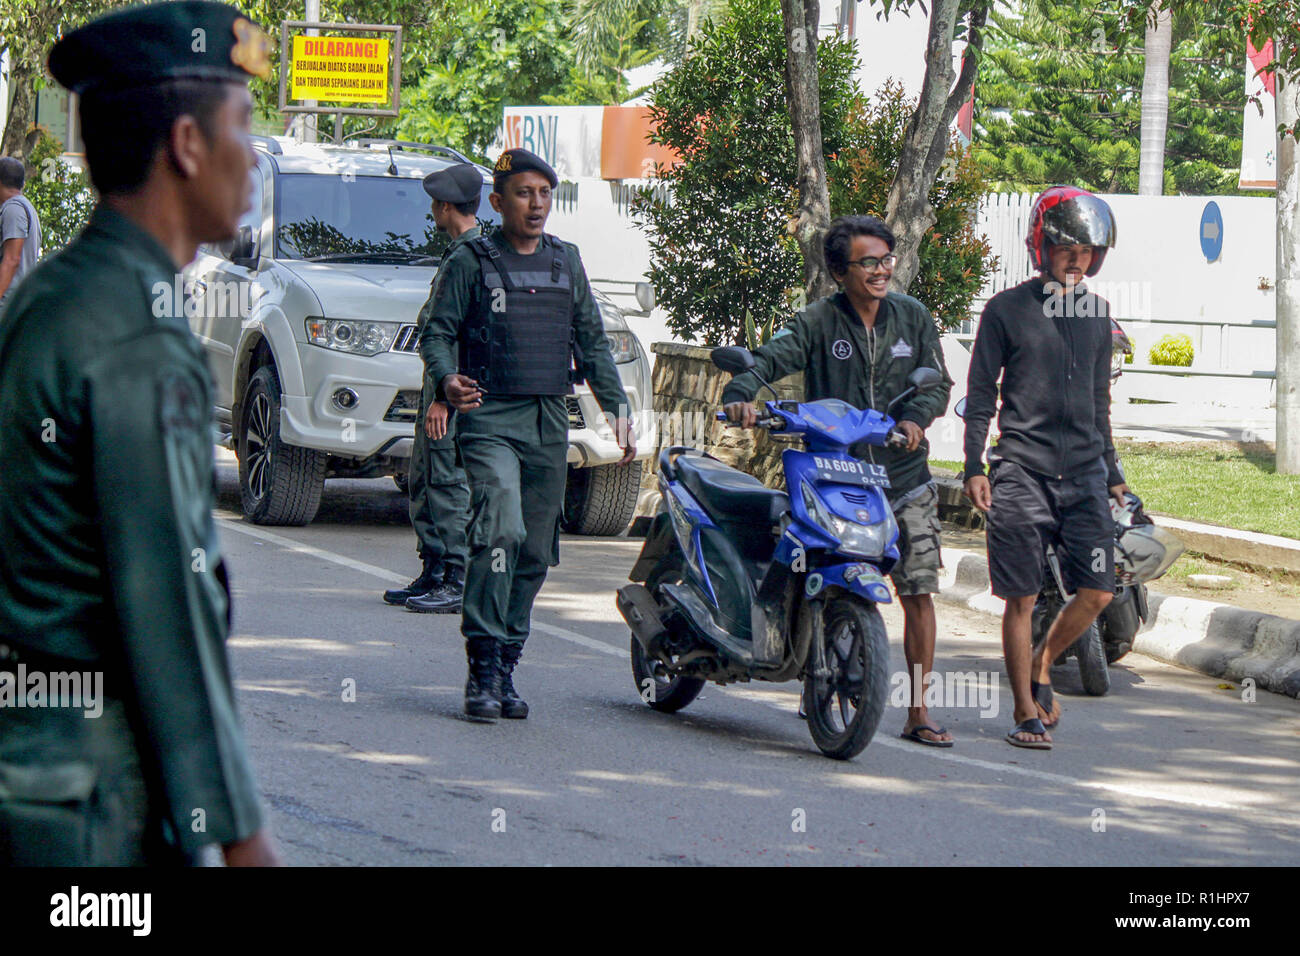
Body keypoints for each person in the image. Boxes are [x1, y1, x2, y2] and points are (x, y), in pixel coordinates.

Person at [0, 0, 280, 865]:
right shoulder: (138, 334)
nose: (252, 157)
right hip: (84, 805)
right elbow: (167, 606)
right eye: (242, 123)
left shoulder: (55, 296)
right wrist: (239, 835)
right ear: (188, 146)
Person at [722, 214, 955, 746]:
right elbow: (767, 361)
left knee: (918, 590)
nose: (881, 270)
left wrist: (916, 419)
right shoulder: (818, 322)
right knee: (814, 568)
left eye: (887, 259)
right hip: (833, 473)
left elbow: (937, 383)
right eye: (868, 262)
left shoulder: (913, 317)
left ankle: (919, 711)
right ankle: (813, 676)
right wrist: (742, 393)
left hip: (902, 477)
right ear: (839, 271)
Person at [421, 147, 635, 721]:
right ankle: (483, 664)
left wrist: (618, 409)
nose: (536, 204)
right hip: (490, 418)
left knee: (536, 551)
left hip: (547, 421)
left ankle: (509, 660)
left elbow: (591, 341)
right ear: (497, 201)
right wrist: (446, 381)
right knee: (501, 530)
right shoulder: (472, 259)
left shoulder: (567, 262)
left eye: (544, 193)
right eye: (523, 193)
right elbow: (436, 334)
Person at [961, 185, 1128, 751]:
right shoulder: (1005, 311)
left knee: (1100, 590)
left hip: (1083, 476)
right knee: (1022, 597)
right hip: (1021, 473)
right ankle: (1024, 710)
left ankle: (1044, 660)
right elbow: (981, 393)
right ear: (1042, 248)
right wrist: (973, 465)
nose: (1077, 258)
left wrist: (1112, 471)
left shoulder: (1099, 317)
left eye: (1087, 250)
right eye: (1066, 248)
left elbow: (1098, 403)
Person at [384, 163, 481, 614]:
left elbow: (456, 331)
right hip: (440, 386)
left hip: (454, 390)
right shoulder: (462, 251)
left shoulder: (470, 256)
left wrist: (444, 397)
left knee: (446, 480)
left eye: (434, 205)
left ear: (446, 207)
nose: (432, 212)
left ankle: (456, 579)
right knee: (424, 477)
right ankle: (434, 569)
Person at [0, 156, 42, 306]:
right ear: (22, 183)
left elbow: (12, 260)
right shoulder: (25, 207)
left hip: (6, 303)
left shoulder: (14, 209)